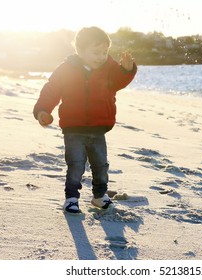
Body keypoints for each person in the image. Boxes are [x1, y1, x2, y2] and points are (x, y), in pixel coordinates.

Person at [33, 27, 137, 214]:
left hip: (98, 128)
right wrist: (43, 110)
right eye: (96, 52)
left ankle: (99, 196)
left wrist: (127, 70)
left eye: (104, 52)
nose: (101, 57)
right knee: (76, 164)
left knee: (101, 165)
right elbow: (52, 90)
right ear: (80, 51)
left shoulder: (109, 68)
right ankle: (71, 198)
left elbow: (119, 80)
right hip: (73, 128)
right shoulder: (66, 69)